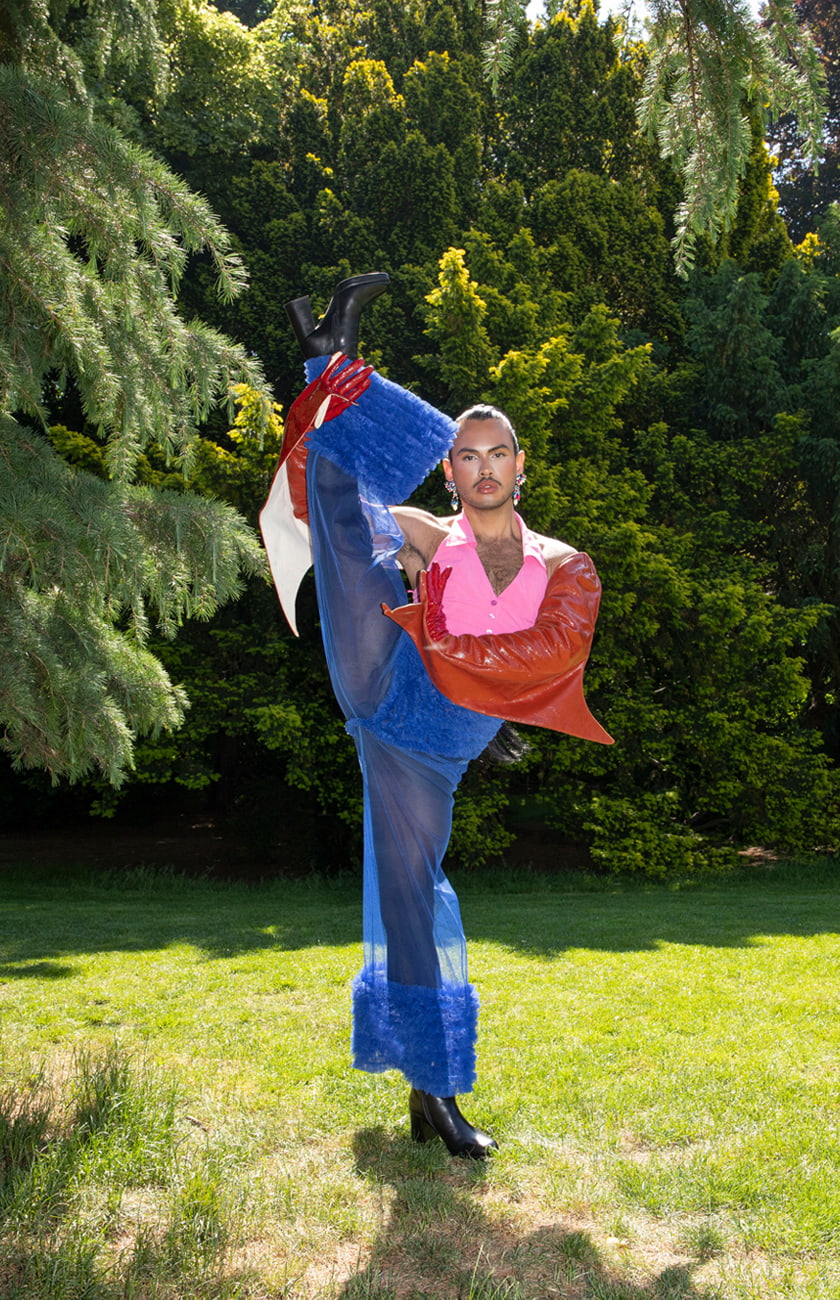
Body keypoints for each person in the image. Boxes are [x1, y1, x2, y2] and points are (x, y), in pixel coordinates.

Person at [260, 274, 612, 1159]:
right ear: (452, 470)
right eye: (466, 453)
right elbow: (336, 508)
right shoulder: (431, 533)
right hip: (383, 670)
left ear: (520, 466)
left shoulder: (563, 565)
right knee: (347, 525)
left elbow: (551, 655)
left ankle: (430, 1095)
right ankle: (328, 357)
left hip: (428, 745)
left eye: (498, 453)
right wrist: (327, 428)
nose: (483, 466)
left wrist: (464, 666)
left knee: (410, 902)